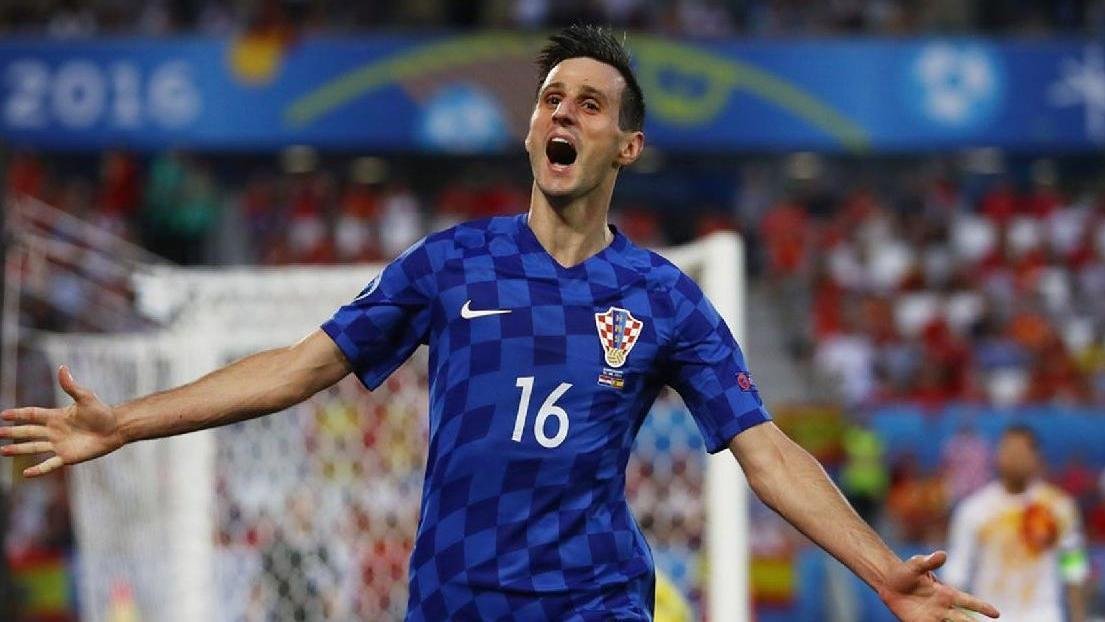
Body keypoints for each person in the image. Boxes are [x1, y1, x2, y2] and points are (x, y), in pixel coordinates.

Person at [0, 25, 998, 622]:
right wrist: (123, 422)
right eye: (550, 98)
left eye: (590, 104)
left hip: (592, 600)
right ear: (529, 128)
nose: (562, 112)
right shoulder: (451, 264)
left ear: (626, 145)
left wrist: (883, 572)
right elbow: (298, 368)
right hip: (454, 599)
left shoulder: (662, 297)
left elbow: (764, 450)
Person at [944, 425, 1088, 621]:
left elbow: (1073, 566)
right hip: (990, 615)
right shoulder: (974, 510)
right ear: (997, 455)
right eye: (1009, 450)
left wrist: (1079, 616)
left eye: (1022, 451)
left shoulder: (1059, 507)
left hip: (1043, 615)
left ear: (1036, 457)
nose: (1015, 458)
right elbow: (957, 572)